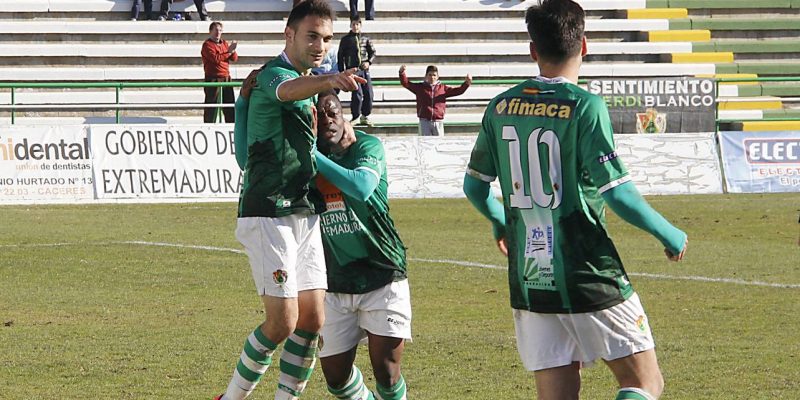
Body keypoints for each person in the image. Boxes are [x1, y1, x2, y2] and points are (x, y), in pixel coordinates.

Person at [462, 1, 688, 400]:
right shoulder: (585, 107)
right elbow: (617, 193)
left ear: (533, 50)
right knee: (644, 383)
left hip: (530, 274)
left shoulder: (500, 106)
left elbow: (475, 187)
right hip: (586, 268)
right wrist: (670, 234)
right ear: (584, 45)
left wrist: (500, 220)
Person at [216, 0, 365, 399]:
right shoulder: (272, 74)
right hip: (268, 212)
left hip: (304, 210)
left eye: (327, 39)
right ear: (290, 35)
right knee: (282, 322)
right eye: (312, 36)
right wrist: (330, 80)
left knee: (314, 319)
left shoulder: (308, 83)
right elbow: (286, 90)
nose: (320, 46)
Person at [313, 91, 410, 400]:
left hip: (382, 273)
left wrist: (313, 157)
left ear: (345, 117)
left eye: (333, 113)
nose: (328, 120)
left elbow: (362, 186)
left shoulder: (367, 146)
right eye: (320, 116)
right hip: (335, 282)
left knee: (387, 372)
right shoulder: (306, 155)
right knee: (336, 379)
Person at [399, 64, 472, 137]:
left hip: (438, 121)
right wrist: (402, 73)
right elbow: (406, 83)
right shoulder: (420, 88)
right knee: (424, 144)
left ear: (437, 77)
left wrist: (467, 83)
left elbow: (458, 91)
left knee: (439, 144)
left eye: (434, 75)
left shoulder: (442, 88)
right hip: (424, 121)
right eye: (430, 75)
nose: (432, 77)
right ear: (426, 76)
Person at [338, 17, 376, 127]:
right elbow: (341, 56)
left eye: (357, 24)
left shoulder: (365, 39)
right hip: (353, 70)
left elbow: (373, 52)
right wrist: (342, 71)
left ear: (361, 25)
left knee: (369, 93)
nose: (355, 27)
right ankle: (355, 116)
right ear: (350, 25)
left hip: (364, 70)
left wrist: (369, 62)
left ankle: (365, 115)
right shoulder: (346, 40)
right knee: (357, 94)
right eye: (353, 24)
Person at [202, 21, 238, 123]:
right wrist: (229, 52)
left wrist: (233, 51)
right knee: (211, 107)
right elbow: (215, 59)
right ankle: (209, 126)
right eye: (216, 30)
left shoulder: (224, 43)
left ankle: (231, 127)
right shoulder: (207, 45)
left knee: (229, 105)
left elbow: (234, 59)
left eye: (220, 30)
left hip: (226, 77)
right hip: (213, 78)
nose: (218, 32)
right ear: (210, 31)